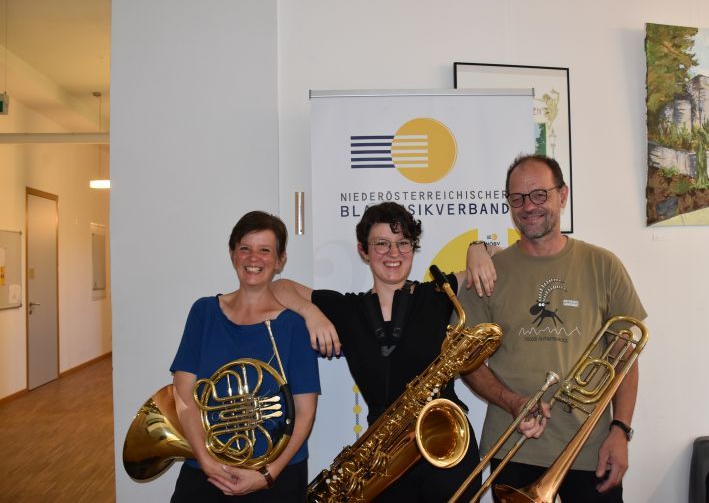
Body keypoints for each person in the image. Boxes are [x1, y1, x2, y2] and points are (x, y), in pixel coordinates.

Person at [273, 201, 546, 502]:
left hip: (448, 446)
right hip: (383, 456)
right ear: (363, 251)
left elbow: (506, 257)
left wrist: (478, 248)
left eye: (403, 243)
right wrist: (311, 313)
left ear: (413, 248)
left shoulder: (439, 293)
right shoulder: (347, 308)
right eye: (381, 244)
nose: (394, 253)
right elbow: (278, 287)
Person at [460, 155, 647, 503]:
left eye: (539, 194)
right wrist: (512, 402)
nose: (528, 206)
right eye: (517, 198)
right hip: (514, 447)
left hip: (591, 448)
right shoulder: (488, 273)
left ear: (563, 195)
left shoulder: (603, 265)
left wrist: (620, 431)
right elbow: (466, 361)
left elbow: (625, 359)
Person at [169, 211, 321, 502]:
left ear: (280, 260)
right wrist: (205, 460)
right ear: (232, 254)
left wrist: (267, 474)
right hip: (206, 465)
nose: (254, 258)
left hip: (277, 472)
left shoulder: (294, 325)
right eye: (245, 248)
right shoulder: (204, 312)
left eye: (265, 250)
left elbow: (305, 411)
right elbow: (183, 393)